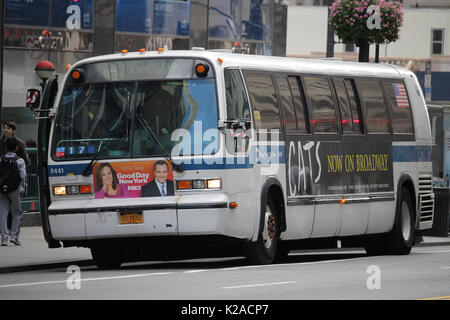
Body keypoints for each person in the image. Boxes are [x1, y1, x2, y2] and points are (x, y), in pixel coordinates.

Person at [0, 138, 27, 246]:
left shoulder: (1, 159)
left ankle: (4, 239)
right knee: (16, 212)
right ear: (16, 148)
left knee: (3, 213)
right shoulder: (20, 161)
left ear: (6, 147)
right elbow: (23, 176)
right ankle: (14, 236)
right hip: (15, 190)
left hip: (2, 190)